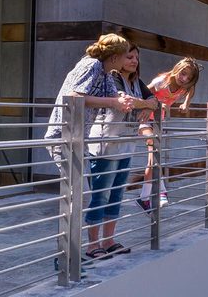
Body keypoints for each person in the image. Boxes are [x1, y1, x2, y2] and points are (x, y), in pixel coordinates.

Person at [44, 33, 148, 264]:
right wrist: (114, 103)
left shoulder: (104, 71)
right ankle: (66, 259)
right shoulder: (90, 65)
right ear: (116, 57)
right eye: (126, 56)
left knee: (77, 196)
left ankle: (70, 257)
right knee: (74, 198)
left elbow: (116, 95)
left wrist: (127, 101)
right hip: (63, 136)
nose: (129, 61)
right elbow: (74, 96)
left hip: (76, 137)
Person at [83, 44, 158, 259]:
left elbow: (155, 101)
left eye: (136, 57)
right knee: (101, 195)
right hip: (105, 145)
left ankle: (108, 241)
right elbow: (126, 102)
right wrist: (145, 104)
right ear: (118, 58)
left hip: (126, 146)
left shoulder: (136, 81)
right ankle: (92, 245)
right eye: (129, 56)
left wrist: (146, 105)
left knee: (116, 195)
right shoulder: (112, 77)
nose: (134, 61)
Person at [136, 57, 202, 210]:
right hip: (143, 120)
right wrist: (152, 105)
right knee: (154, 150)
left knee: (153, 159)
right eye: (182, 74)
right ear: (177, 69)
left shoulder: (185, 87)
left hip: (158, 123)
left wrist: (186, 103)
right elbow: (141, 93)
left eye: (188, 77)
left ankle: (144, 198)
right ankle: (162, 192)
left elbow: (191, 89)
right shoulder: (161, 82)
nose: (184, 79)